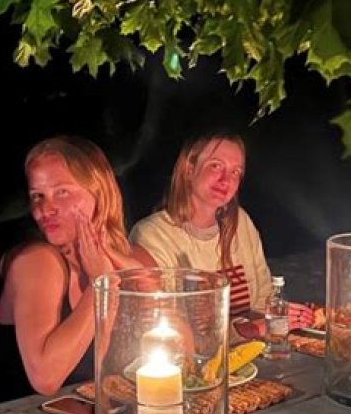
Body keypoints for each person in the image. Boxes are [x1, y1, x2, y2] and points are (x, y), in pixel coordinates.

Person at [0, 136, 153, 395]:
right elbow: (45, 378)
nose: (45, 209)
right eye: (37, 196)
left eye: (62, 192)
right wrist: (102, 286)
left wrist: (146, 283)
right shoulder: (38, 262)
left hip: (102, 413)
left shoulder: (135, 258)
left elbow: (185, 353)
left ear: (99, 191)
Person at [130, 132, 313, 326]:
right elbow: (170, 325)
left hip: (253, 345)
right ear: (189, 169)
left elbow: (263, 299)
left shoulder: (240, 222)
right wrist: (250, 330)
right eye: (215, 166)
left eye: (235, 172)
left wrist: (281, 315)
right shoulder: (152, 235)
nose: (226, 180)